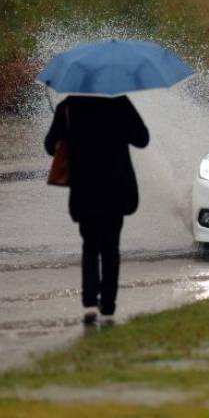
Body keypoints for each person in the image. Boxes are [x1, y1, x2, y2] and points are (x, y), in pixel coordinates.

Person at [44, 95, 149, 325]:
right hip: (117, 188)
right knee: (111, 246)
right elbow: (142, 139)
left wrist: (66, 135)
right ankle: (108, 304)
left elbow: (50, 146)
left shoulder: (68, 106)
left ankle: (90, 302)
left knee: (90, 245)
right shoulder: (120, 102)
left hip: (84, 189)